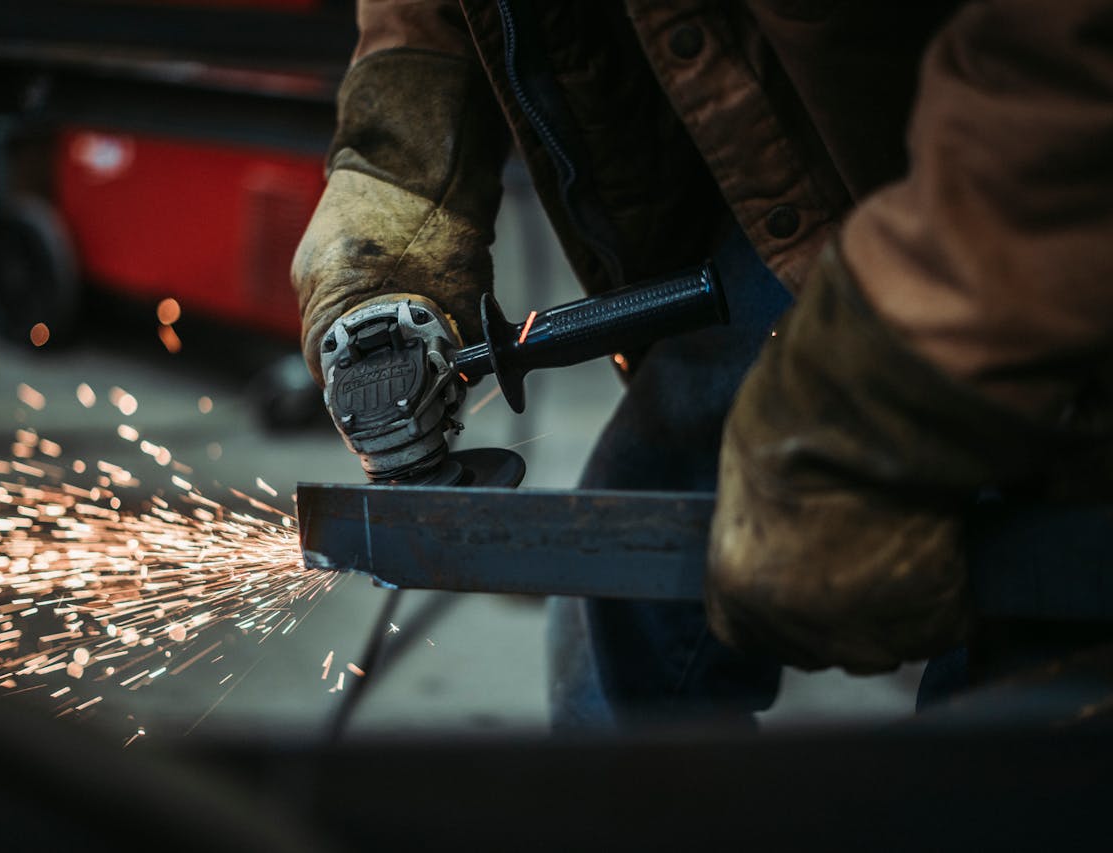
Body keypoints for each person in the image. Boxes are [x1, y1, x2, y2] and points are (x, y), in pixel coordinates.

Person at [292, 1, 1113, 725]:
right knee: (618, 609)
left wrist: (890, 394)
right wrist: (394, 196)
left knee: (1029, 665)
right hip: (823, 183)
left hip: (1031, 202)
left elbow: (1068, 78)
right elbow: (433, 18)